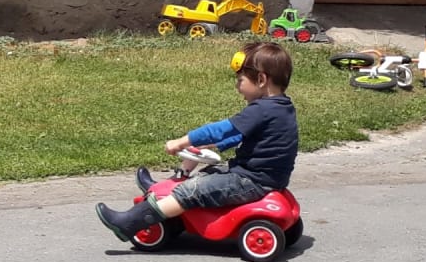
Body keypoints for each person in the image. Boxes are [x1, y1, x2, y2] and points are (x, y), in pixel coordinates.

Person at [95, 41, 298, 241]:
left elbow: (220, 130)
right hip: (268, 178)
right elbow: (242, 135)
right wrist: (214, 145)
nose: (237, 87)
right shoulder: (283, 107)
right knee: (209, 172)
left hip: (250, 181)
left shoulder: (261, 109)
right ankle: (167, 187)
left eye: (240, 80)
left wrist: (182, 141)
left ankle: (128, 223)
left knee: (191, 190)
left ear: (261, 79)